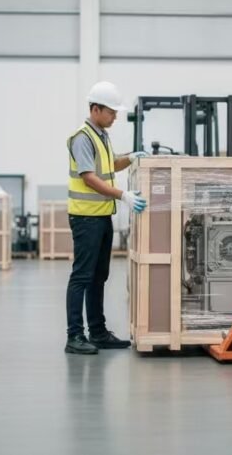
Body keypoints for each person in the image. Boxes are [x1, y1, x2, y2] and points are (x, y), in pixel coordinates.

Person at [65, 81, 148, 355]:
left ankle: (97, 332)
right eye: (111, 112)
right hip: (86, 219)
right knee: (82, 277)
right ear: (96, 108)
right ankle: (75, 336)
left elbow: (109, 164)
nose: (115, 116)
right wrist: (122, 195)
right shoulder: (82, 137)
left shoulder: (101, 135)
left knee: (99, 276)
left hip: (101, 218)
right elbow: (89, 178)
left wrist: (132, 158)